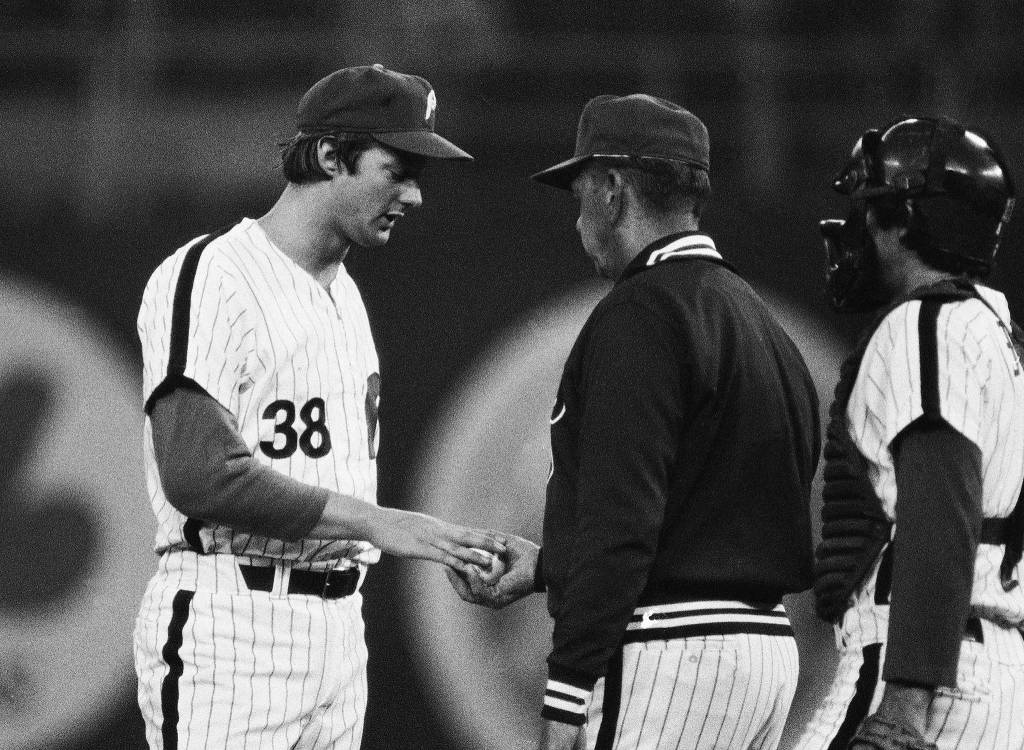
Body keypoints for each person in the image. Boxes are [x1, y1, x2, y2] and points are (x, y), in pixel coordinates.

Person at [132, 64, 506, 750]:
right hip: (235, 624)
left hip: (338, 630)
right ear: (331, 154)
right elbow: (198, 473)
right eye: (397, 169)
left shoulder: (347, 296)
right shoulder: (214, 272)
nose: (415, 195)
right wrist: (381, 523)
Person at [447, 94, 821, 750]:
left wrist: (565, 691)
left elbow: (622, 525)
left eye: (581, 194)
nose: (578, 220)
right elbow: (701, 520)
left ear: (614, 190)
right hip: (767, 652)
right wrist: (547, 567)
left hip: (674, 655)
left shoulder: (642, 314)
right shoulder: (761, 324)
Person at [792, 116, 1024, 750]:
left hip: (921, 674)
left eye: (870, 210)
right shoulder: (996, 336)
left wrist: (903, 704)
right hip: (991, 671)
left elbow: (941, 509)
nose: (855, 229)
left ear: (902, 220)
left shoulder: (928, 326)